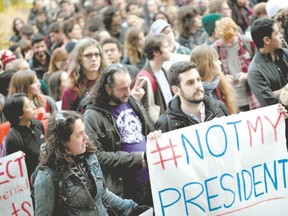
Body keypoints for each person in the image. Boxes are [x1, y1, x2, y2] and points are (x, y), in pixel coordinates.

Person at [34, 110, 150, 216]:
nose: (86, 137)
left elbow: (102, 194)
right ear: (63, 142)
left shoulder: (89, 156)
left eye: (84, 131)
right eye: (79, 134)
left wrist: (131, 209)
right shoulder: (46, 177)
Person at [83, 64, 154, 206]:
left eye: (129, 86)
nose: (128, 92)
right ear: (108, 89)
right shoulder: (92, 115)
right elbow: (97, 157)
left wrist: (155, 136)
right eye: (122, 89)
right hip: (124, 189)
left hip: (150, 181)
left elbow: (147, 130)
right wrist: (137, 158)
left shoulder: (131, 100)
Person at [155, 61, 230, 132]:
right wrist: (154, 141)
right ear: (176, 90)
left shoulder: (219, 109)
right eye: (190, 83)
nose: (197, 86)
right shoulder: (165, 124)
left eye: (198, 80)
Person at [212, 17, 259, 111]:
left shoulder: (248, 43)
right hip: (232, 98)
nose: (228, 43)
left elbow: (262, 67)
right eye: (225, 40)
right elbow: (210, 76)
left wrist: (248, 75)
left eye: (230, 39)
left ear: (235, 32)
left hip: (253, 95)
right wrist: (223, 79)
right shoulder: (215, 49)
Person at [3, 93, 45, 178]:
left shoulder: (38, 125)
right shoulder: (13, 139)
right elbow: (15, 173)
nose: (34, 106)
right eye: (29, 105)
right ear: (19, 115)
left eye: (31, 102)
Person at [248, 18, 288, 107]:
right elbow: (270, 102)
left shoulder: (285, 53)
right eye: (277, 33)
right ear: (267, 40)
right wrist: (285, 90)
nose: (281, 35)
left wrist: (278, 92)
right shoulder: (255, 71)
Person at [135, 33, 173, 123]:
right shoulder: (144, 79)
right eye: (166, 47)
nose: (170, 49)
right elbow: (146, 112)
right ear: (156, 52)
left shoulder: (163, 71)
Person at [61, 38, 107, 112]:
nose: (94, 59)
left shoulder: (110, 82)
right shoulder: (71, 91)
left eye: (97, 54)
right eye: (88, 55)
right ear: (79, 59)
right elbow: (67, 121)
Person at [191, 45, 238, 114]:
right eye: (216, 60)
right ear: (206, 64)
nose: (220, 62)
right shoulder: (194, 92)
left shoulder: (220, 83)